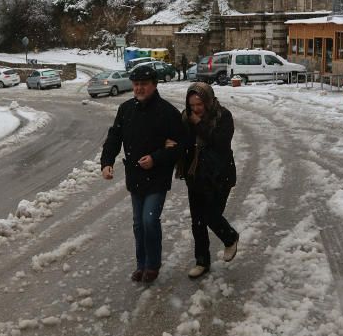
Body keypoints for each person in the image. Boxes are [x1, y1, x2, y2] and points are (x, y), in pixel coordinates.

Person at [100, 63, 183, 283]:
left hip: (157, 177)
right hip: (135, 176)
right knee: (138, 224)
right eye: (136, 84)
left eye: (144, 84)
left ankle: (153, 265)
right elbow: (114, 137)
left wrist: (156, 158)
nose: (139, 88)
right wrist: (107, 162)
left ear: (154, 85)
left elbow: (180, 147)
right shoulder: (126, 109)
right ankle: (141, 264)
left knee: (149, 220)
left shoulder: (168, 112)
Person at [173, 82, 239, 279]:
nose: (195, 109)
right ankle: (202, 261)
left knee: (211, 215)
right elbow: (182, 142)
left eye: (199, 104)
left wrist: (199, 124)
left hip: (220, 176)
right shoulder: (185, 118)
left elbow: (219, 143)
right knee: (198, 222)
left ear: (208, 101)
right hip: (195, 176)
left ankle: (230, 237)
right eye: (192, 105)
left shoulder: (222, 117)